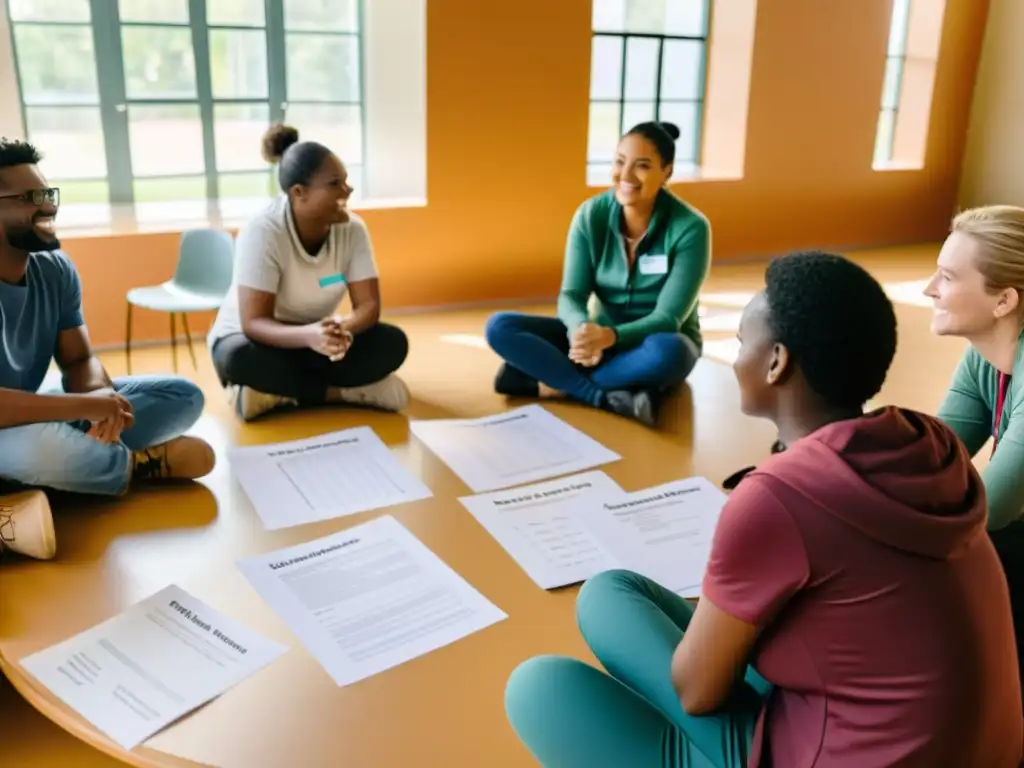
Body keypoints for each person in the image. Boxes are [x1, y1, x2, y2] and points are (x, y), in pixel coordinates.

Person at [505, 251, 1023, 768]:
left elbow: (696, 694)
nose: (733, 360)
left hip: (847, 753)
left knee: (540, 687)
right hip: (970, 747)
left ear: (776, 361)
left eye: (739, 344)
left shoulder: (777, 498)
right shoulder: (930, 442)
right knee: (608, 592)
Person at [0, 138, 215, 524]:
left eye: (48, 193)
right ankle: (139, 465)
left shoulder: (55, 268)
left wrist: (100, 396)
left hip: (33, 416)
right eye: (31, 197)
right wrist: (82, 407)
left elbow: (79, 358)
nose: (49, 205)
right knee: (45, 450)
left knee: (182, 395)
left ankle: (45, 488)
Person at [484, 121, 710, 427]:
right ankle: (605, 397)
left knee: (671, 351)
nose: (626, 176)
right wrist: (580, 330)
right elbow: (571, 295)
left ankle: (550, 382)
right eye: (619, 162)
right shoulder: (591, 215)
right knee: (500, 326)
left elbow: (668, 318)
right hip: (595, 342)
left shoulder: (691, 228)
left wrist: (611, 337)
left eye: (642, 166)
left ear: (667, 172)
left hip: (650, 343)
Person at [208, 124, 410, 421]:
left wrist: (343, 329)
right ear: (299, 192)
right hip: (258, 341)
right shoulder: (263, 232)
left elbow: (368, 306)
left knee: (392, 343)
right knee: (238, 359)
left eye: (346, 181)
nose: (348, 190)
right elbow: (254, 323)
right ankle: (345, 393)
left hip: (318, 340)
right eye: (335, 184)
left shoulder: (353, 230)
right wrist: (309, 336)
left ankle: (273, 395)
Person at [926, 204, 1024, 705]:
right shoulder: (986, 353)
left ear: (1004, 299)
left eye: (946, 277)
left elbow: (991, 511)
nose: (929, 289)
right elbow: (930, 463)